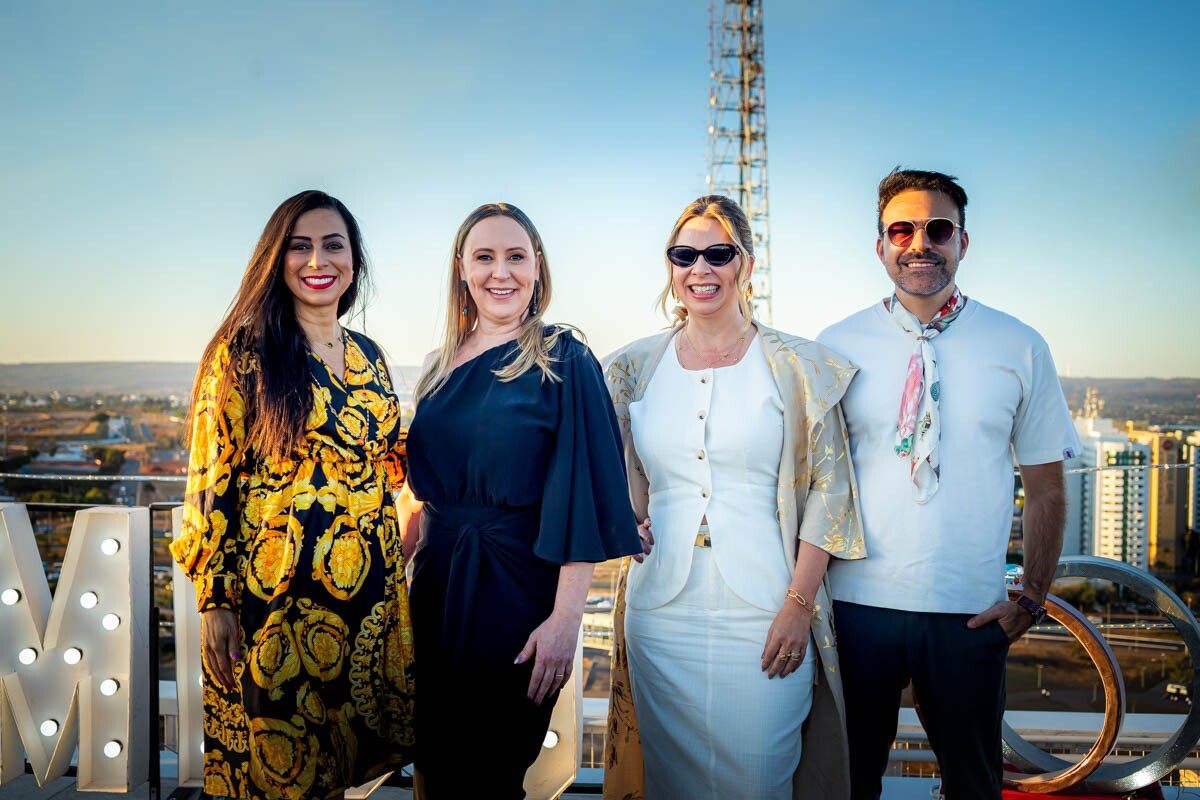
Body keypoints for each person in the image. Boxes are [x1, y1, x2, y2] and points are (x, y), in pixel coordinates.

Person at [816, 168, 1081, 799]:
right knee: (845, 784)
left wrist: (1032, 597)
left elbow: (1045, 484)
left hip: (969, 612)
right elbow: (814, 481)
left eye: (938, 229)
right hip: (855, 608)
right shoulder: (834, 346)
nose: (919, 244)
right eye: (901, 229)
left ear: (963, 242)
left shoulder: (1019, 345)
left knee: (973, 783)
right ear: (880, 245)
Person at [603, 195, 865, 800]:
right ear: (670, 268)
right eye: (684, 255)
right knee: (670, 786)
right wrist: (621, 517)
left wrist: (799, 604)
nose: (701, 268)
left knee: (759, 779)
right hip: (659, 612)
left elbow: (831, 492)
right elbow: (605, 471)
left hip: (767, 611)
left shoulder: (799, 367)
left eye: (718, 254)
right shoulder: (630, 368)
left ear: (746, 265)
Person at [170, 190, 415, 800]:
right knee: (280, 770)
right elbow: (211, 481)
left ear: (354, 260)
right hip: (277, 603)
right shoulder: (242, 354)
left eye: (334, 245)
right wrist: (216, 600)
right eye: (300, 246)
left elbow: (391, 460)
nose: (317, 260)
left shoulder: (370, 357)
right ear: (276, 259)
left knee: (336, 767)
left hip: (367, 602)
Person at [398, 202, 643, 799]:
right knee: (434, 765)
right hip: (433, 589)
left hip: (516, 593)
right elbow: (418, 496)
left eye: (516, 256)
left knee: (490, 771)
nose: (499, 272)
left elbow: (580, 494)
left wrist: (565, 621)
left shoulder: (564, 357)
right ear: (462, 268)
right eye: (484, 257)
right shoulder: (434, 367)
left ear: (538, 268)